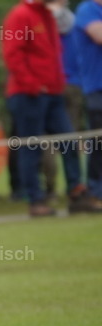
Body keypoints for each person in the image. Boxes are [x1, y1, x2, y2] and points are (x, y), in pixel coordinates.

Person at [2, 0, 101, 217]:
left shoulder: (46, 15)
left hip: (53, 92)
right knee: (32, 146)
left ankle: (77, 193)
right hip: (28, 94)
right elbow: (12, 54)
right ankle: (35, 199)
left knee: (69, 141)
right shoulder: (20, 15)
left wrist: (56, 84)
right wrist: (33, 85)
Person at [73, 0, 102, 206]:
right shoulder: (88, 9)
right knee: (98, 141)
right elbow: (99, 35)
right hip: (97, 87)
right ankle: (96, 190)